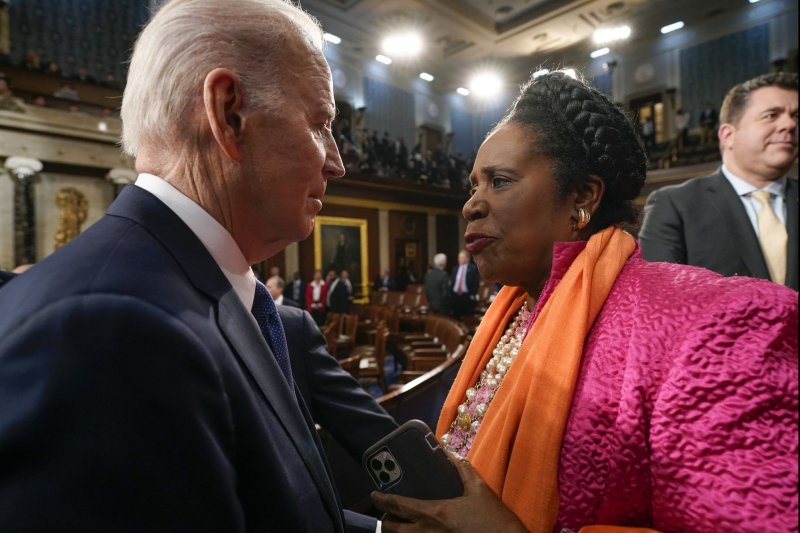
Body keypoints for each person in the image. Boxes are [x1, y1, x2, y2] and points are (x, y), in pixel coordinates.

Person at [0, 1, 384, 531]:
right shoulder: (113, 329)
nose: (337, 161)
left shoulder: (193, 290)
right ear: (228, 113)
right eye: (320, 124)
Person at [371, 72, 797, 532]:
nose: (471, 204)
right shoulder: (516, 311)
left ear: (582, 198)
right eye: (474, 185)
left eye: (499, 181)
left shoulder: (723, 322)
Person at [639, 72, 798, 290]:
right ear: (728, 135)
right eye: (771, 115)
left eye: (796, 116)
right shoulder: (675, 205)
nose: (790, 124)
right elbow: (659, 300)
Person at [450, 249, 479, 319]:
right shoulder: (455, 269)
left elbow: (475, 283)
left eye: (461, 257)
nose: (458, 259)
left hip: (466, 296)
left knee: (467, 317)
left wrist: (472, 295)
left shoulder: (473, 268)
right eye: (458, 257)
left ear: (467, 258)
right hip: (455, 296)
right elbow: (452, 282)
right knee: (455, 317)